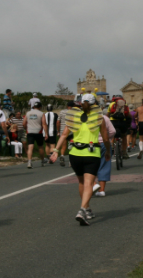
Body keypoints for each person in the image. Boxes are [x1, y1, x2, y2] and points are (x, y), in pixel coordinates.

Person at [49, 94, 110, 226]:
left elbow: (64, 134)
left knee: (81, 182)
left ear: (80, 104)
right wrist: (109, 151)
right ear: (95, 105)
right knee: (89, 183)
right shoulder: (99, 118)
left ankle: (87, 209)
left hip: (75, 153)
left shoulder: (74, 117)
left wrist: (56, 150)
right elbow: (105, 138)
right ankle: (82, 210)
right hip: (91, 152)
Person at [93, 113, 115, 197]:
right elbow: (113, 131)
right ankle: (102, 190)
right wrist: (107, 138)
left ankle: (93, 184)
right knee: (104, 165)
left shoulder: (85, 118)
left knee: (89, 166)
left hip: (90, 144)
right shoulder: (104, 118)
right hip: (103, 143)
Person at [23, 101, 47, 169]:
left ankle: (29, 162)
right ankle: (42, 161)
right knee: (40, 147)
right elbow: (44, 124)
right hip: (38, 132)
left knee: (30, 147)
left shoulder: (28, 113)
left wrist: (26, 128)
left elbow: (24, 123)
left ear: (33, 107)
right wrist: (46, 133)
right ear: (40, 107)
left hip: (30, 132)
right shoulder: (42, 113)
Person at [57, 101, 75, 167]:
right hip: (71, 131)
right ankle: (70, 161)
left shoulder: (62, 112)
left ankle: (62, 156)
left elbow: (58, 122)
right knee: (71, 147)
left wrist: (58, 131)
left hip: (62, 130)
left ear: (67, 106)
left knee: (63, 146)